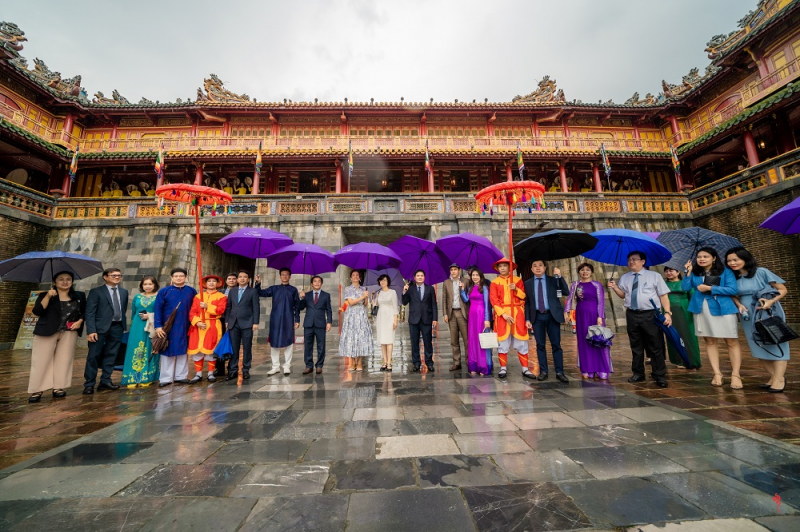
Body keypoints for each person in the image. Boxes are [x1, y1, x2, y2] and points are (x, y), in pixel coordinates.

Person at [726, 247, 790, 392]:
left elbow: (782, 289)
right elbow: (733, 295)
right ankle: (774, 376)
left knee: (776, 341)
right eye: (729, 260)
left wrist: (771, 301)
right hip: (748, 314)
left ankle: (779, 379)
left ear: (745, 259)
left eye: (735, 259)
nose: (732, 263)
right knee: (757, 344)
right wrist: (739, 305)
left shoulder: (761, 272)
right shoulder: (733, 278)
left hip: (768, 310)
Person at [608, 251, 672, 388]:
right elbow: (623, 295)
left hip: (650, 314)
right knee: (636, 346)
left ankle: (659, 375)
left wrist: (667, 313)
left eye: (634, 259)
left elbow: (663, 296)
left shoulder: (654, 276)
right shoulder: (625, 277)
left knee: (655, 346)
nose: (631, 262)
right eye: (629, 260)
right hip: (632, 314)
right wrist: (614, 288)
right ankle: (638, 373)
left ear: (643, 261)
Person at [683, 247, 742, 389]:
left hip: (724, 309)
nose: (702, 259)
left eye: (705, 256)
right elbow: (685, 287)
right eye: (699, 257)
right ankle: (717, 373)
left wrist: (710, 288)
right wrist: (687, 272)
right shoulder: (696, 273)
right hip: (701, 309)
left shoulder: (725, 272)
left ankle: (735, 374)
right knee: (709, 341)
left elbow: (733, 289)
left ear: (714, 258)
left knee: (731, 341)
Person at [27, 271, 86, 402]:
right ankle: (37, 389)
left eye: (68, 279)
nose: (65, 282)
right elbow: (37, 311)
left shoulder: (79, 296)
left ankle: (59, 387)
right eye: (61, 279)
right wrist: (48, 296)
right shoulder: (45, 294)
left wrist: (80, 321)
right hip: (46, 331)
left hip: (69, 332)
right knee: (41, 361)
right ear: (55, 282)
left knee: (64, 360)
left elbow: (84, 311)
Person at [83, 268, 128, 394]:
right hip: (99, 328)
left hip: (117, 327)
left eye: (119, 275)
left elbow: (122, 309)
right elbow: (90, 312)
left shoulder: (124, 292)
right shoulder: (96, 292)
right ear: (105, 277)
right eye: (114, 275)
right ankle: (89, 383)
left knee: (111, 354)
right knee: (93, 355)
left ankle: (105, 381)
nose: (117, 277)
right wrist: (91, 330)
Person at [564, 263, 613, 380]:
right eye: (582, 270)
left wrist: (600, 316)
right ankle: (587, 369)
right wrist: (566, 311)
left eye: (587, 270)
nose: (585, 272)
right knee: (584, 341)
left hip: (595, 315)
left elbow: (601, 301)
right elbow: (570, 298)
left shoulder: (597, 285)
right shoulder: (575, 285)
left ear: (591, 272)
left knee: (599, 340)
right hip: (581, 315)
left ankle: (601, 368)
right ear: (579, 272)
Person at [524, 260, 569, 382]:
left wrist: (559, 277)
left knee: (556, 345)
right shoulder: (527, 283)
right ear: (532, 269)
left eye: (540, 265)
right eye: (534, 266)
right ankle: (543, 371)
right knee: (540, 345)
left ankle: (559, 372)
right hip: (537, 317)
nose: (537, 268)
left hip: (552, 315)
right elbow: (527, 303)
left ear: (544, 267)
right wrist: (527, 318)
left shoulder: (553, 280)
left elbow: (566, 291)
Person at [490, 258, 535, 380]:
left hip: (517, 313)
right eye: (501, 266)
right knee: (503, 342)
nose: (503, 268)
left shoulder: (517, 280)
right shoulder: (494, 282)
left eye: (505, 266)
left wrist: (516, 289)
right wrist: (503, 314)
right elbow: (494, 300)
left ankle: (525, 368)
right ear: (497, 269)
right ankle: (503, 367)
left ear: (510, 268)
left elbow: (524, 297)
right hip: (502, 315)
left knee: (521, 341)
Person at [154, 267, 197, 387]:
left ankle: (181, 376)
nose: (179, 278)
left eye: (181, 276)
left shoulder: (191, 291)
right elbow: (157, 309)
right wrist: (158, 326)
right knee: (167, 349)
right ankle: (165, 378)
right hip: (168, 326)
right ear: (172, 278)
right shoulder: (164, 291)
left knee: (183, 350)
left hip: (185, 325)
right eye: (176, 276)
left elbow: (196, 307)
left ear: (186, 278)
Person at [255, 268, 300, 376]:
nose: (285, 276)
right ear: (280, 276)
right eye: (283, 274)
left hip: (288, 318)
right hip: (275, 318)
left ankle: (286, 366)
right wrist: (258, 283)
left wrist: (297, 320)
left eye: (287, 274)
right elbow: (261, 293)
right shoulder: (274, 288)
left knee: (289, 342)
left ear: (290, 276)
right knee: (274, 342)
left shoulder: (293, 290)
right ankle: (275, 366)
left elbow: (297, 306)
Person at [121, 275, 160, 387]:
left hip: (151, 327)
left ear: (155, 285)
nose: (147, 286)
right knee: (134, 349)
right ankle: (132, 378)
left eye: (150, 284)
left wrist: (150, 316)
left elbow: (162, 313)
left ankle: (146, 377)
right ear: (142, 285)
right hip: (137, 327)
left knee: (148, 349)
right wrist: (132, 328)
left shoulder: (158, 297)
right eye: (145, 284)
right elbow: (133, 314)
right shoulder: (137, 297)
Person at [188, 275, 228, 383]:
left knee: (211, 349)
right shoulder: (197, 296)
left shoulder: (222, 297)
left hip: (213, 324)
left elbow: (221, 310)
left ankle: (210, 373)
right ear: (205, 284)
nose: (211, 283)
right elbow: (192, 312)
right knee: (198, 350)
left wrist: (207, 306)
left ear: (217, 283)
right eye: (209, 281)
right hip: (199, 325)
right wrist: (198, 322)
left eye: (213, 281)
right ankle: (198, 374)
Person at [663, 266, 702, 370]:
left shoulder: (685, 282)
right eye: (666, 271)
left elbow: (692, 295)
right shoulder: (663, 284)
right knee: (673, 335)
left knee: (688, 334)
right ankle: (678, 360)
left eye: (670, 270)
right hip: (669, 311)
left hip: (684, 309)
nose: (668, 273)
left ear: (678, 271)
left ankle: (692, 360)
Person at [224, 270, 260, 380]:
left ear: (248, 279)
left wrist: (255, 322)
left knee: (247, 347)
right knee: (234, 347)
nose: (242, 279)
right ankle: (233, 370)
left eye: (245, 277)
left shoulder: (252, 291)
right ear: (238, 279)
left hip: (247, 323)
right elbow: (229, 307)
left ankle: (245, 370)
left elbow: (256, 307)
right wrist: (227, 321)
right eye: (240, 277)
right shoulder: (233, 291)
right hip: (233, 323)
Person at [402, 269, 438, 372]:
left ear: (424, 277)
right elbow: (404, 302)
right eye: (418, 275)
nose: (420, 277)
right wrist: (404, 292)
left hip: (426, 319)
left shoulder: (430, 289)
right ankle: (416, 363)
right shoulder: (410, 289)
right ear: (414, 277)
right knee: (414, 343)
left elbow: (434, 305)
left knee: (428, 342)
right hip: (414, 320)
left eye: (422, 275)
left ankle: (429, 362)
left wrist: (435, 318)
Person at [298, 275, 333, 374]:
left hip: (321, 324)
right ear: (311, 283)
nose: (317, 283)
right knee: (308, 346)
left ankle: (319, 365)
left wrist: (329, 322)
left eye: (319, 281)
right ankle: (309, 365)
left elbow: (329, 310)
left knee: (321, 346)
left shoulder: (326, 295)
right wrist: (301, 298)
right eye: (315, 281)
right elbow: (300, 308)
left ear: (321, 283)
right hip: (308, 323)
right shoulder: (307, 295)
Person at [461, 268, 493, 376]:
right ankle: (473, 366)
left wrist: (487, 319)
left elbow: (486, 305)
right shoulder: (470, 287)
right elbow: (466, 300)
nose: (474, 277)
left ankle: (483, 367)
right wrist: (461, 290)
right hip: (472, 316)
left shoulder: (484, 288)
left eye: (477, 275)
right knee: (473, 340)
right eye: (473, 275)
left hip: (481, 315)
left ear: (481, 276)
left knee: (482, 341)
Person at [340, 270, 373, 371]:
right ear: (350, 278)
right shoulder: (348, 289)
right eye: (353, 275)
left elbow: (364, 304)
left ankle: (359, 362)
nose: (355, 277)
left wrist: (366, 298)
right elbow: (351, 302)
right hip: (351, 315)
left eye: (357, 275)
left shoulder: (364, 289)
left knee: (361, 337)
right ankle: (352, 362)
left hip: (361, 315)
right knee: (351, 338)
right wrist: (362, 296)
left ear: (360, 278)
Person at [442, 263, 468, 371]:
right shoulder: (446, 282)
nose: (453, 271)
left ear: (459, 270)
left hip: (462, 313)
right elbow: (444, 299)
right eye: (451, 270)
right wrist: (445, 314)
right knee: (454, 340)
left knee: (467, 339)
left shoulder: (466, 281)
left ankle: (468, 361)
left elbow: (469, 297)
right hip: (452, 313)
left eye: (455, 269)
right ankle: (457, 362)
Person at [213, 272, 240, 378]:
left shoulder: (240, 292)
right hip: (220, 320)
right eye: (230, 279)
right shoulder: (220, 292)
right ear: (226, 280)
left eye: (234, 279)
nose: (232, 280)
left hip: (234, 321)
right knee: (219, 343)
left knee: (233, 345)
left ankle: (232, 368)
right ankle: (219, 368)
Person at [373, 274, 399, 371]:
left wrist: (395, 320)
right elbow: (375, 305)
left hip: (390, 316)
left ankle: (389, 362)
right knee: (382, 340)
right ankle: (384, 361)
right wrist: (373, 297)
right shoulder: (379, 293)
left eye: (384, 280)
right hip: (381, 317)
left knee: (389, 340)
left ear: (388, 281)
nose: (382, 282)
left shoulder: (393, 292)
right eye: (381, 280)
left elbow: (395, 307)